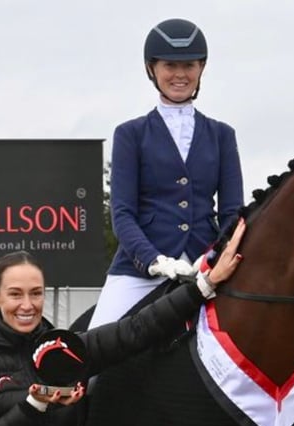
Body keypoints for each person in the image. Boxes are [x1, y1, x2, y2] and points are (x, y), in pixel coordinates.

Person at [0, 220, 245, 426]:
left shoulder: (67, 349)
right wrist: (35, 405)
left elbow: (136, 330)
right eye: (15, 294)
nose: (27, 305)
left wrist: (204, 285)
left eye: (36, 293)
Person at [88, 17, 244, 329]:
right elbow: (122, 214)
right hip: (141, 271)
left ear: (201, 68)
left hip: (206, 264)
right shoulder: (130, 134)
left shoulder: (222, 135)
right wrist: (154, 261)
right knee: (94, 347)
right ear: (152, 69)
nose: (180, 75)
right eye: (170, 65)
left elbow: (232, 213)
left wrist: (213, 258)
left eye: (189, 66)